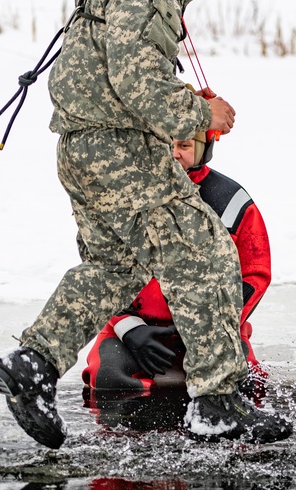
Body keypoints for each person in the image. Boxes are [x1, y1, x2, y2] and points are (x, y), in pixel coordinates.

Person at [0, 0, 292, 449]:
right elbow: (140, 82)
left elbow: (120, 73)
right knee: (204, 252)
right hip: (122, 151)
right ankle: (218, 403)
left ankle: (31, 366)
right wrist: (204, 116)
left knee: (114, 268)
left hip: (84, 147)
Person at [81, 132, 273, 396]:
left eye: (184, 146)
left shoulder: (231, 200)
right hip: (139, 327)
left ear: (203, 149)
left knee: (246, 385)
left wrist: (213, 327)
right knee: (109, 379)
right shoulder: (119, 194)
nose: (173, 154)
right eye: (165, 146)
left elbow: (255, 274)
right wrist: (129, 328)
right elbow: (100, 269)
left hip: (215, 330)